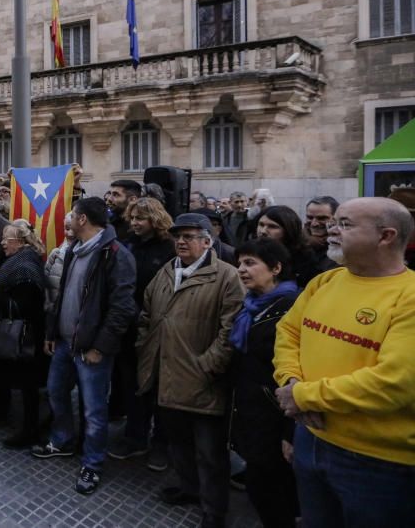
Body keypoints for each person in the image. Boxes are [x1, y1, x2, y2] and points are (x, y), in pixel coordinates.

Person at [273, 197, 415, 528]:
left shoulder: (408, 296)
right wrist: (291, 382)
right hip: (311, 438)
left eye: (346, 224)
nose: (331, 230)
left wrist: (303, 397)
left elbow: (395, 382)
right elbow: (288, 332)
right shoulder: (326, 281)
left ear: (386, 236)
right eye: (335, 222)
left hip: (377, 463)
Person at [137, 213, 243, 528]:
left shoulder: (227, 276)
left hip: (203, 383)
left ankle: (214, 511)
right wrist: (146, 349)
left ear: (207, 241)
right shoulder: (166, 271)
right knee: (178, 444)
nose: (181, 242)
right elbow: (146, 314)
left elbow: (230, 331)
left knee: (210, 454)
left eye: (189, 236)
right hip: (167, 377)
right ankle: (189, 489)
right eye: (178, 236)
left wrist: (207, 366)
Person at [33, 197, 138, 496]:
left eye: (73, 217)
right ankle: (62, 441)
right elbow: (63, 295)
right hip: (65, 343)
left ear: (82, 220)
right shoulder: (74, 250)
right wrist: (52, 332)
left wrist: (100, 347)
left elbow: (121, 309)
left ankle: (92, 463)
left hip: (92, 350)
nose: (68, 223)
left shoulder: (116, 254)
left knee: (93, 409)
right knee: (55, 391)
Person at [229, 239, 300, 528]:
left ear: (276, 268)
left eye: (250, 263)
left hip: (276, 415)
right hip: (251, 410)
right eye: (239, 264)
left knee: (272, 488)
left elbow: (299, 371)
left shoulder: (292, 307)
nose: (241, 270)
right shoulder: (250, 305)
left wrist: (290, 432)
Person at [110, 197, 175, 471]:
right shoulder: (127, 244)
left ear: (155, 220)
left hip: (158, 329)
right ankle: (135, 437)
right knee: (132, 385)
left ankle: (161, 442)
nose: (135, 223)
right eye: (133, 218)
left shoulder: (171, 248)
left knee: (159, 387)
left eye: (141, 218)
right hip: (128, 327)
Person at [0, 220, 48, 448]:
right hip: (17, 335)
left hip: (25, 337)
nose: (2, 243)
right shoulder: (18, 261)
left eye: (6, 239)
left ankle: (30, 431)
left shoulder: (25, 268)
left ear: (21, 242)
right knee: (4, 373)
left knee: (28, 387)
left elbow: (20, 308)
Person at [255, 205, 334, 286]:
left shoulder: (304, 259)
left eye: (272, 226)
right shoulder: (251, 252)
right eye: (261, 225)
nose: (263, 231)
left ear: (288, 230)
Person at [303, 195, 339, 263]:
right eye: (310, 218)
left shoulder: (345, 247)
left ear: (336, 218)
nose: (314, 224)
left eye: (322, 218)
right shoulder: (295, 244)